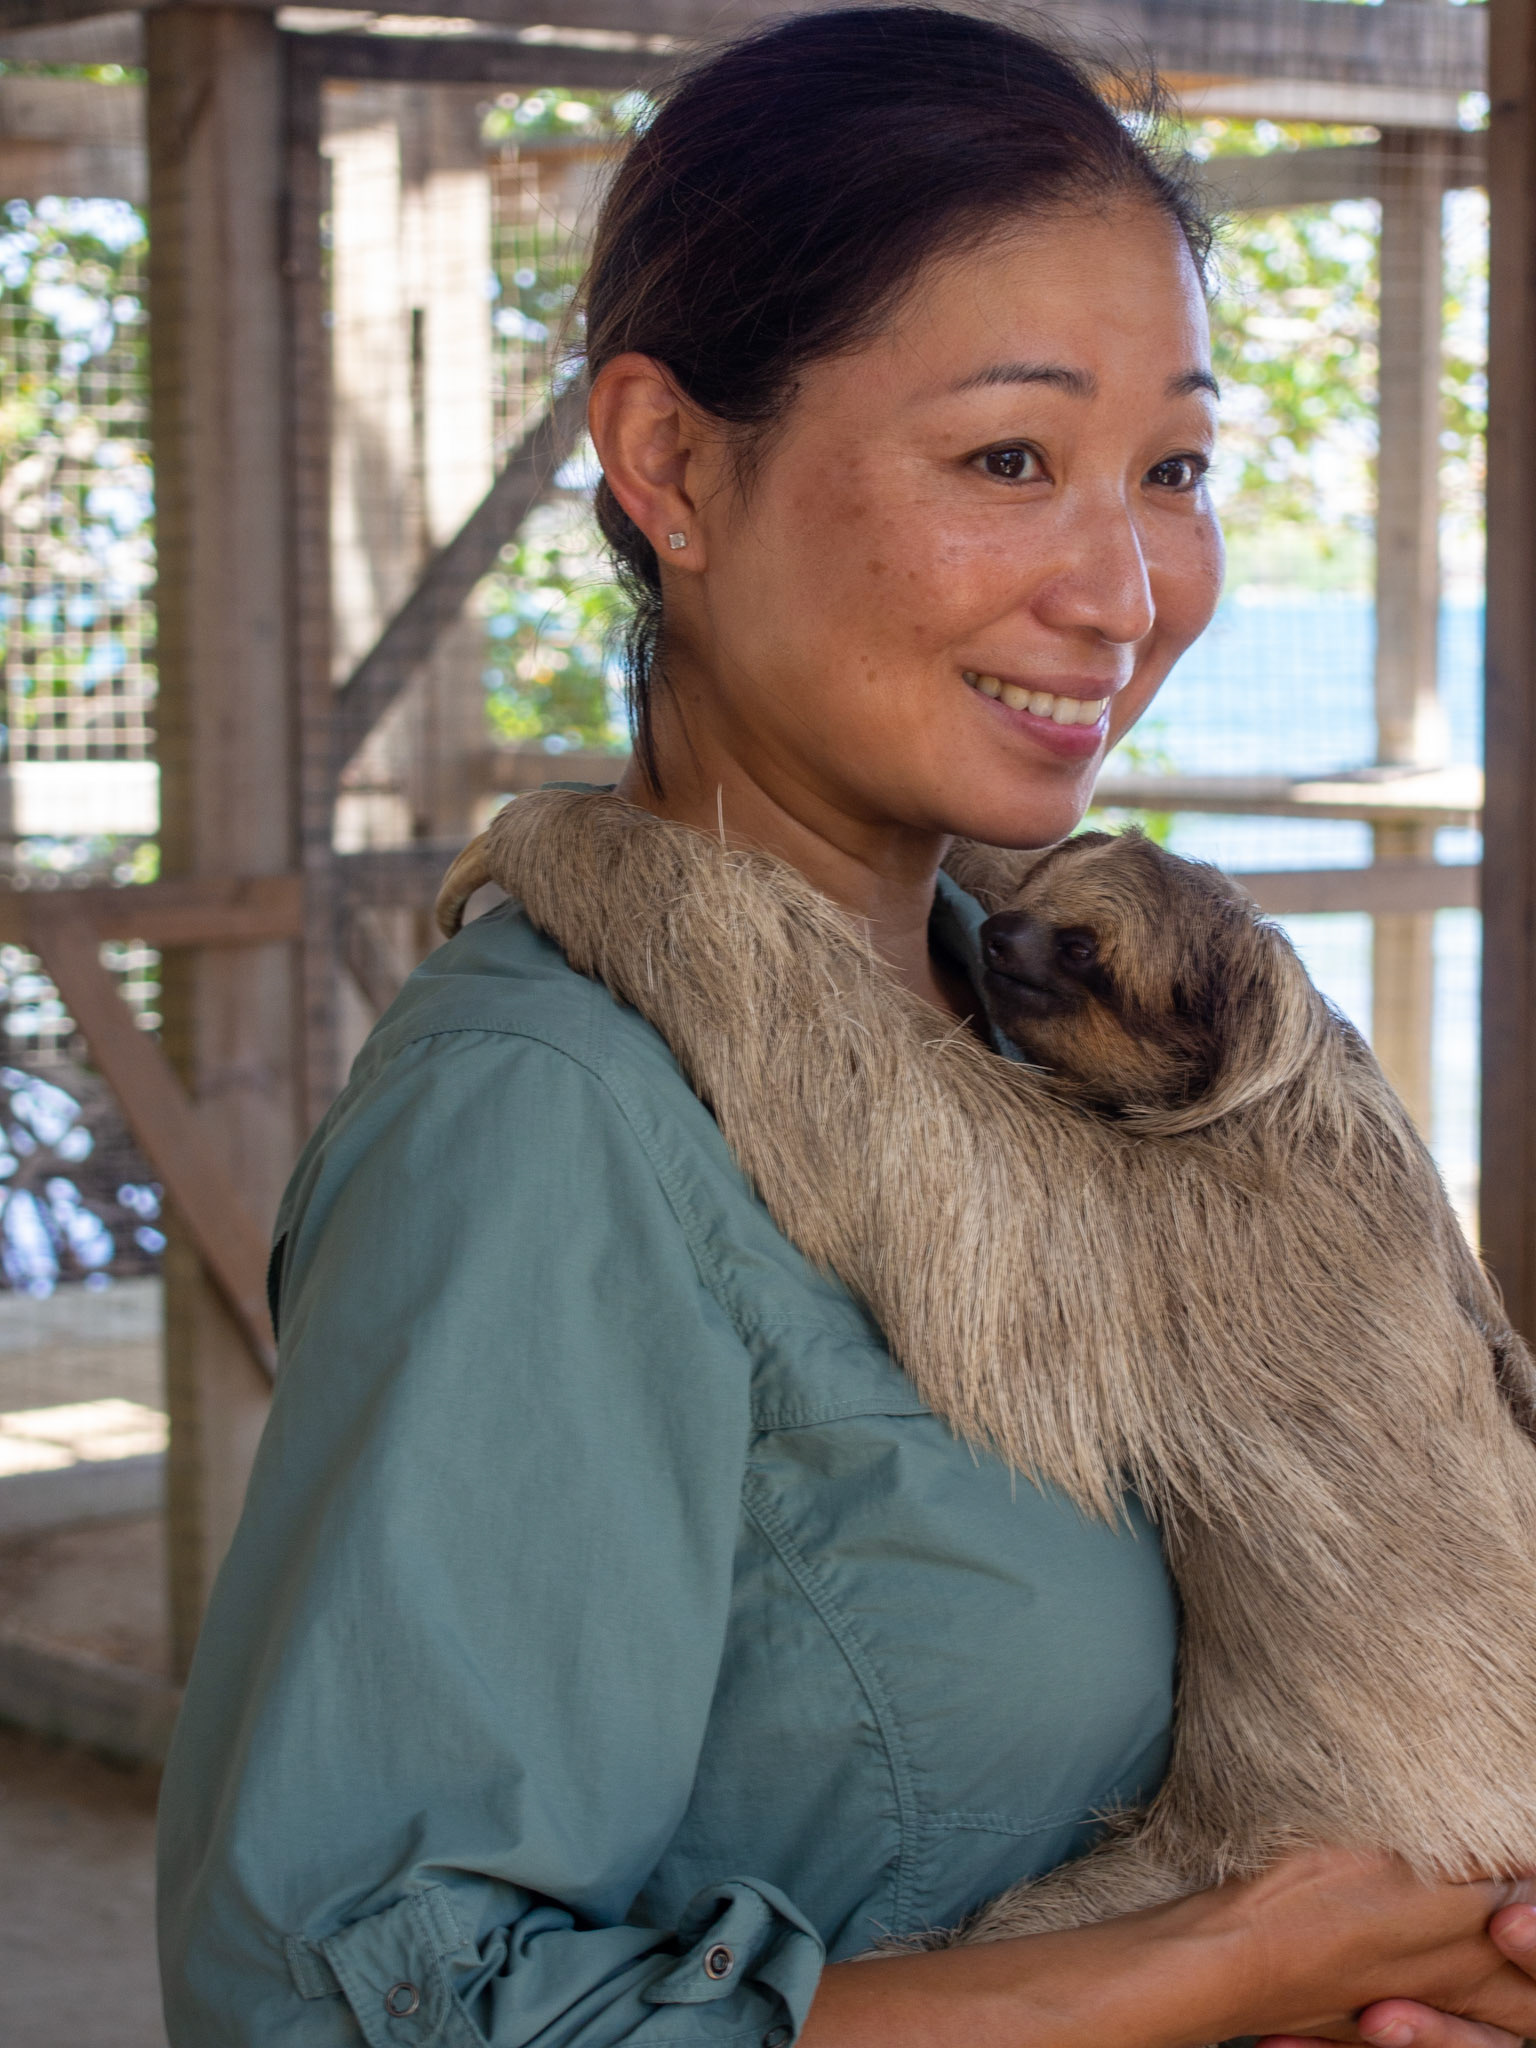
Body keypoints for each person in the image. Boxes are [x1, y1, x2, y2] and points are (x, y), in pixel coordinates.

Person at [156, 12, 1536, 2046]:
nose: (1127, 589)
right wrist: (1236, 1963)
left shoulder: (1076, 1025)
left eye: (1177, 470)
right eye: (1008, 457)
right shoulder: (551, 1111)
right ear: (670, 463)